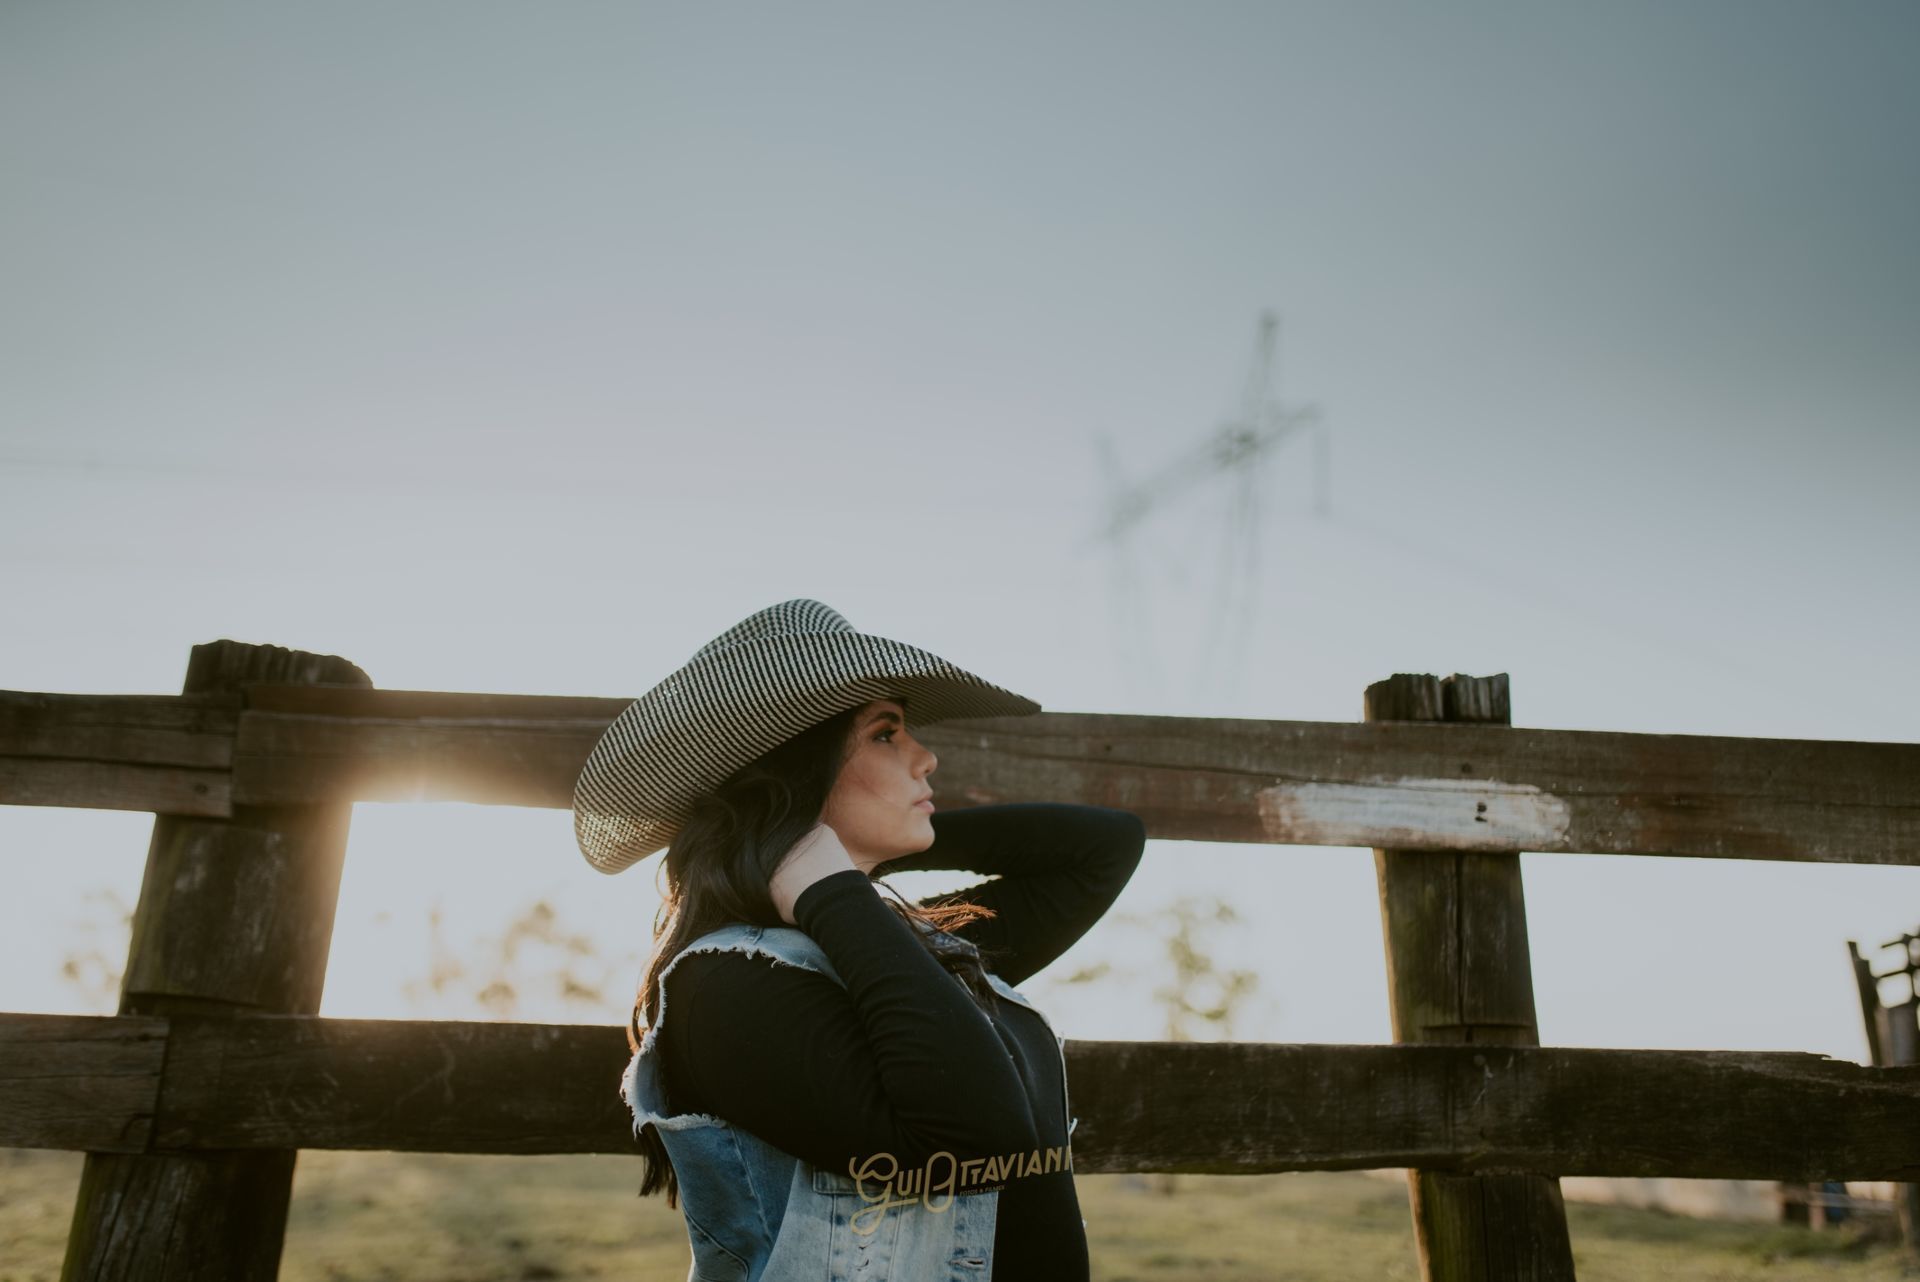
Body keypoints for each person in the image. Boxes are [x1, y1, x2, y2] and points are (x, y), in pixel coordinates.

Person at [572, 598, 1145, 1282]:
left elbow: (1103, 849)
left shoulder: (895, 950)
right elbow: (976, 1142)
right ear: (796, 769)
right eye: (885, 734)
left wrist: (837, 861)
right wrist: (826, 875)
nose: (926, 757)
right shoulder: (727, 984)